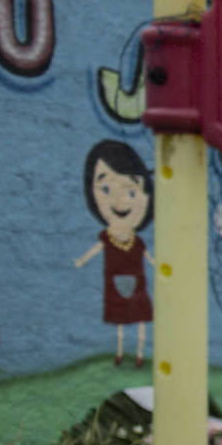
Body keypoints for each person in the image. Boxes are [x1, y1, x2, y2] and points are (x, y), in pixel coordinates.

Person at [73, 139, 154, 366]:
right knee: (120, 321)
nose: (119, 201)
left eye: (131, 190)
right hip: (115, 285)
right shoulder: (107, 239)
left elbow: (148, 257)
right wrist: (81, 260)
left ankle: (139, 355)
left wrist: (159, 264)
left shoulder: (136, 242)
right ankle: (119, 353)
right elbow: (96, 250)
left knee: (139, 321)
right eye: (106, 189)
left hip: (136, 286)